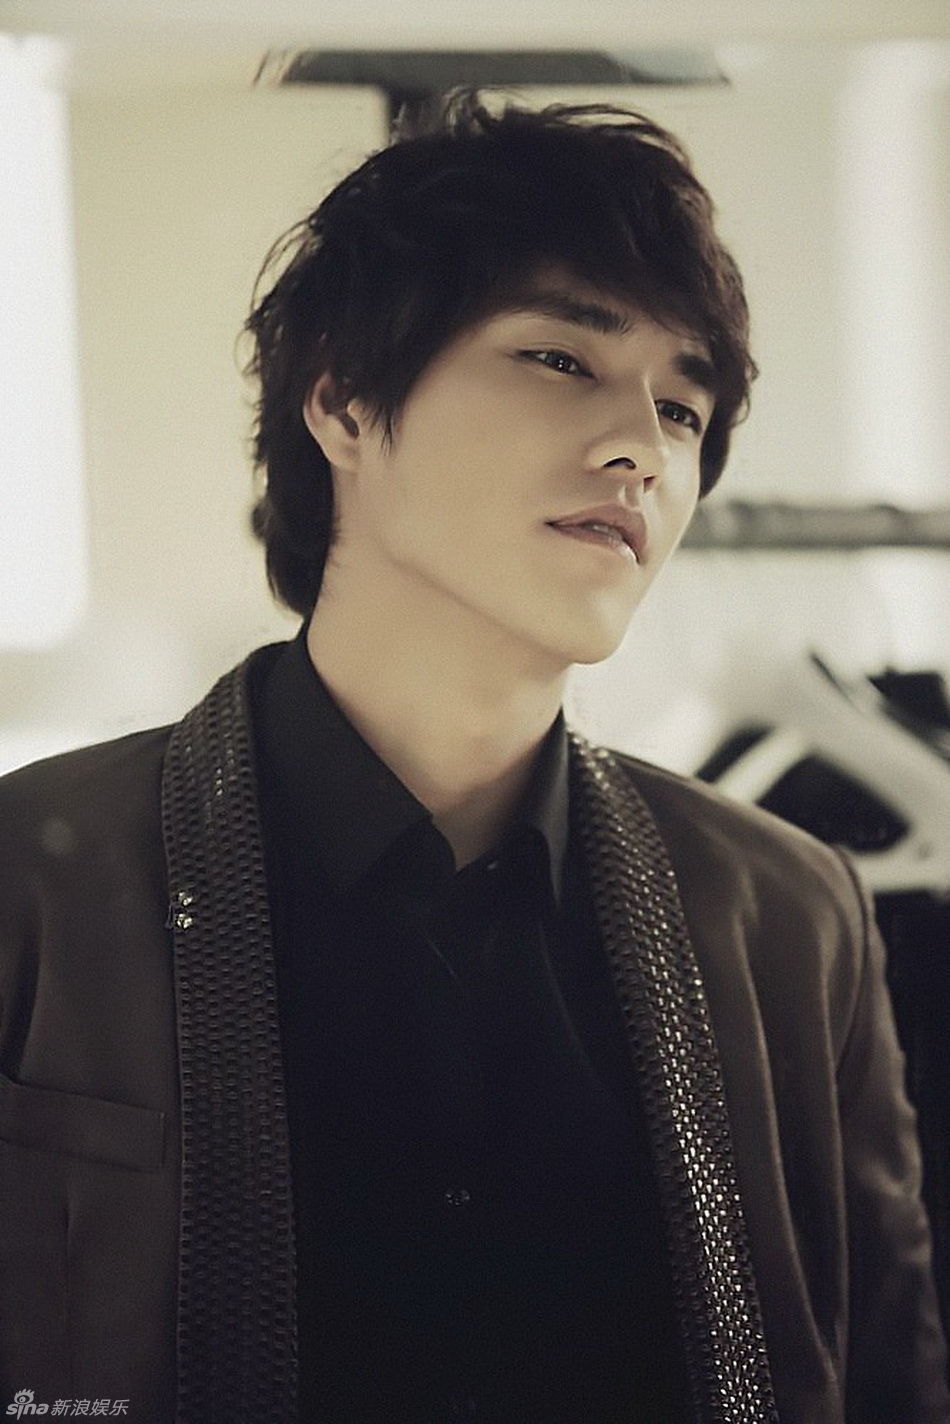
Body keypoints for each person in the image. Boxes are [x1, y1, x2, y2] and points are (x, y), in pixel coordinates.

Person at [0, 92, 946, 1424]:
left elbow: (891, 1382)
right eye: (561, 357)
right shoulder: (40, 879)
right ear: (342, 401)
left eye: (684, 410)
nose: (640, 446)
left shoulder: (786, 915)